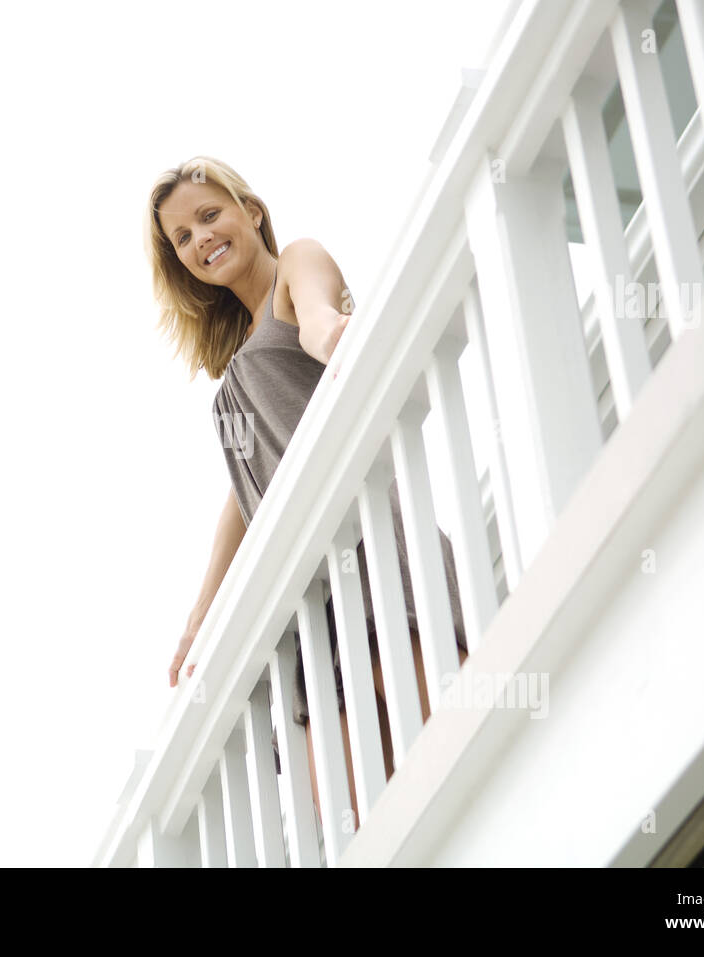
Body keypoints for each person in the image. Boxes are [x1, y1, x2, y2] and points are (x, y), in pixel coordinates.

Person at [147, 155, 468, 834]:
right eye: (183, 236)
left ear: (250, 211)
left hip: (375, 554)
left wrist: (336, 336)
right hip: (310, 610)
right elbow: (243, 490)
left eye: (210, 215)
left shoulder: (296, 263)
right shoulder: (232, 371)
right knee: (370, 826)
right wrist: (202, 609)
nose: (200, 238)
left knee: (467, 751)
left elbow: (323, 318)